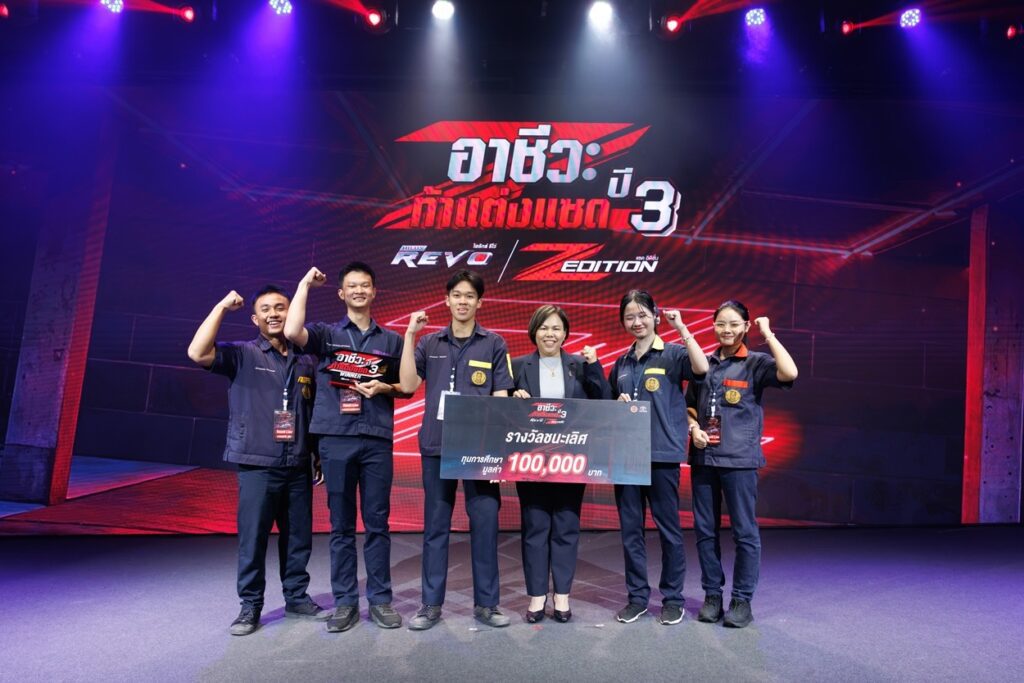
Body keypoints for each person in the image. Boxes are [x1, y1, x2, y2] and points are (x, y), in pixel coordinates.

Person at [187, 285, 327, 636]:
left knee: (298, 538)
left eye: (280, 307)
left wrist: (316, 454)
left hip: (297, 463)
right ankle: (250, 605)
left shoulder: (306, 360)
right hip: (257, 464)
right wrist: (221, 306)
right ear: (255, 318)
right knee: (253, 539)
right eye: (266, 309)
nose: (274, 314)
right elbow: (197, 352)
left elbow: (311, 411)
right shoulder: (242, 354)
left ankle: (296, 596)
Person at [284, 262, 405, 633]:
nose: (359, 291)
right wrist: (305, 283)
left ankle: (380, 601)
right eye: (352, 286)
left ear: (374, 291)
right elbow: (291, 330)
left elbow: (406, 386)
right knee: (340, 526)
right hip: (336, 438)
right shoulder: (326, 334)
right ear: (341, 293)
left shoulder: (392, 340)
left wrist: (385, 387)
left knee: (378, 523)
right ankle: (346, 603)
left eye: (365, 285)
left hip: (376, 439)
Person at [399, 270, 515, 630]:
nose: (463, 301)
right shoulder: (429, 343)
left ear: (480, 302)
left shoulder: (494, 343)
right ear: (447, 300)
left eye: (469, 296)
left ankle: (487, 605)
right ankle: (430, 605)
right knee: (436, 528)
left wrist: (497, 455)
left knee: (485, 526)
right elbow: (407, 384)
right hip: (437, 445)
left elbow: (501, 399)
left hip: (479, 451)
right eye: (457, 295)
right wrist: (409, 335)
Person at [686, 300, 797, 629]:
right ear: (713, 326)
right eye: (721, 324)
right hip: (704, 459)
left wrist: (769, 334)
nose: (727, 330)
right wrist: (693, 429)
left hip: (740, 461)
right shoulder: (703, 364)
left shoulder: (756, 363)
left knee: (744, 533)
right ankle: (712, 596)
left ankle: (741, 600)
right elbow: (690, 406)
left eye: (734, 324)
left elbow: (790, 373)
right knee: (705, 531)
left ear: (746, 326)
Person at [608, 290, 709, 625]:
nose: (636, 322)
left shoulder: (674, 353)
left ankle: (672, 598)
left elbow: (702, 368)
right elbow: (611, 408)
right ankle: (637, 597)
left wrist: (682, 328)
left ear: (654, 315)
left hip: (662, 455)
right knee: (631, 532)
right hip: (626, 458)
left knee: (669, 531)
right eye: (629, 317)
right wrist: (617, 406)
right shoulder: (621, 363)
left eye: (642, 315)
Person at [510, 305, 611, 623]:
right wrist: (513, 400)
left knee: (566, 527)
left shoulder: (580, 365)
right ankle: (537, 596)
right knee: (535, 527)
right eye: (544, 328)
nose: (550, 334)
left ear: (565, 333)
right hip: (531, 461)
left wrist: (595, 367)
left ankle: (562, 596)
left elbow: (603, 401)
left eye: (556, 328)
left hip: (571, 461)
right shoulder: (518, 365)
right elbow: (501, 413)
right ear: (534, 331)